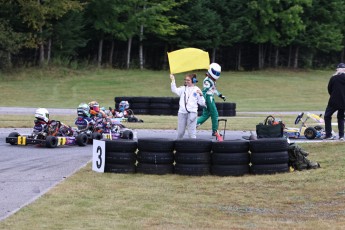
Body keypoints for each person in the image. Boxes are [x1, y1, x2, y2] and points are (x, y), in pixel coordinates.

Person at [170, 73, 205, 139]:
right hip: (182, 113)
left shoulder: (197, 90)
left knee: (192, 134)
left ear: (193, 81)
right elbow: (174, 90)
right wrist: (173, 80)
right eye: (185, 80)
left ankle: (193, 148)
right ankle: (178, 146)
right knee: (180, 133)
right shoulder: (183, 89)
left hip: (192, 114)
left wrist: (201, 95)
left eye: (188, 80)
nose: (186, 81)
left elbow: (202, 103)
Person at [196, 63, 226, 140]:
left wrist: (220, 95)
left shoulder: (211, 80)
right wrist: (203, 101)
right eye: (215, 72)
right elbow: (204, 91)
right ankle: (215, 131)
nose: (216, 75)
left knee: (206, 114)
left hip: (210, 97)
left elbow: (214, 89)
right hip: (208, 98)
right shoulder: (207, 81)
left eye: (217, 73)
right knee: (215, 114)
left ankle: (194, 124)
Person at [323, 63, 345, 140]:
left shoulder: (334, 78)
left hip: (334, 101)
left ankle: (329, 135)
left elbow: (329, 88)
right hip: (343, 101)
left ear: (338, 69)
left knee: (327, 116)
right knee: (341, 118)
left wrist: (333, 95)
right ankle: (341, 136)